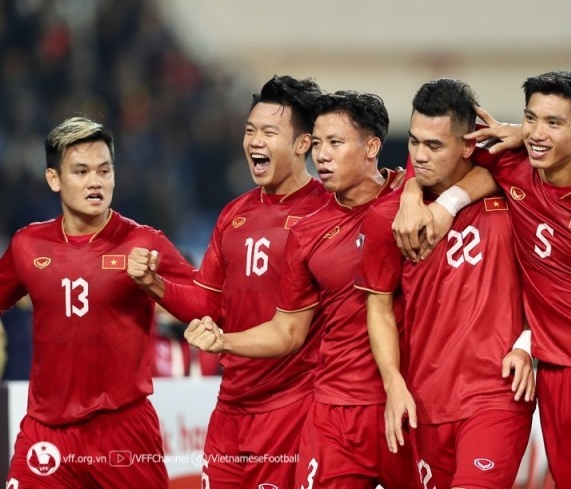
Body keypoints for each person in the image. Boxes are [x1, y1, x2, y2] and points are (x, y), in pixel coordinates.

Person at [396, 71, 571, 489]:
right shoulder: (511, 165)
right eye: (530, 118)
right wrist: (431, 199)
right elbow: (434, 151)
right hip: (554, 378)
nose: (536, 134)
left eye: (553, 123)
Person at [184, 90, 419, 488]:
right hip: (334, 410)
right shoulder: (307, 229)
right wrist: (224, 340)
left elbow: (486, 166)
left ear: (372, 147)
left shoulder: (411, 197)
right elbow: (287, 331)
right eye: (319, 143)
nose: (321, 155)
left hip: (411, 401)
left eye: (335, 143)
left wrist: (418, 193)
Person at [128, 75, 329, 488]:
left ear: (302, 143)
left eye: (269, 132)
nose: (255, 141)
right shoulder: (233, 214)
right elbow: (206, 304)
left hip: (292, 407)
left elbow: (293, 331)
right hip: (231, 405)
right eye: (250, 130)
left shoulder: (327, 211)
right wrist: (156, 285)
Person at [0, 116, 197, 488]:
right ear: (53, 179)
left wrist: (155, 286)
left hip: (123, 430)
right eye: (81, 171)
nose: (96, 181)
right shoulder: (28, 245)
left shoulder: (144, 242)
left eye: (104, 170)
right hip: (47, 432)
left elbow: (204, 305)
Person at [357, 78, 535, 489]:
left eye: (434, 146)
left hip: (496, 394)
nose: (420, 156)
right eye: (415, 142)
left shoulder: (515, 195)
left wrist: (527, 345)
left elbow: (549, 283)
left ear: (469, 145)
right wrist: (393, 380)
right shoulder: (390, 218)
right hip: (427, 401)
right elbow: (379, 306)